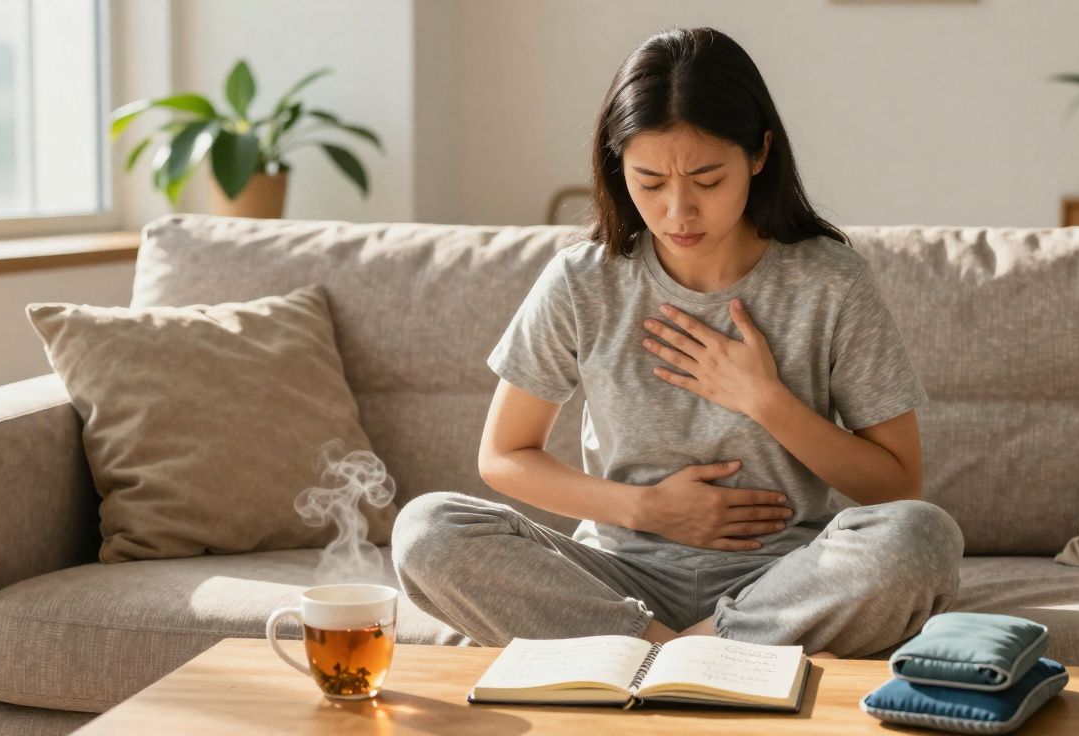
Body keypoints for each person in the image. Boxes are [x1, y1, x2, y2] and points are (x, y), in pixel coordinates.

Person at [392, 26, 963, 660]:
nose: (678, 213)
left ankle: (672, 655)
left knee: (922, 536)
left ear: (759, 153)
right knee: (427, 531)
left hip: (785, 580)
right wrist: (649, 510)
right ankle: (685, 653)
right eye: (651, 183)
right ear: (617, 167)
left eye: (707, 180)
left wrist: (764, 399)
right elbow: (504, 455)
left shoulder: (832, 283)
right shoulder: (584, 281)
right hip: (614, 578)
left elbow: (898, 486)